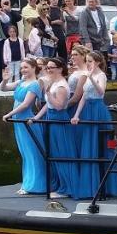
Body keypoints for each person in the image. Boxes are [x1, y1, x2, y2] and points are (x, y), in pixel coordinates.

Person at [70, 52, 117, 199]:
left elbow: (101, 92)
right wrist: (76, 115)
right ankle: (91, 186)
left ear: (97, 62)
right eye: (87, 61)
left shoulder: (102, 76)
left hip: (98, 110)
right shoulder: (86, 75)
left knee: (104, 146)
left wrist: (91, 77)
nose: (89, 64)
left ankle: (107, 186)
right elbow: (83, 97)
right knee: (88, 146)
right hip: (87, 110)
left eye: (90, 61)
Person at [30, 58, 77, 199]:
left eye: (52, 67)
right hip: (51, 117)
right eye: (48, 67)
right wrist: (37, 117)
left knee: (61, 152)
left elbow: (59, 106)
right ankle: (58, 184)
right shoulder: (54, 83)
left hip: (58, 119)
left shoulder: (61, 85)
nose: (49, 70)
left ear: (60, 69)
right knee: (54, 153)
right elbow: (48, 105)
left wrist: (49, 93)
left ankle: (66, 187)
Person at [0, 58, 47, 194]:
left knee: (32, 152)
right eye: (21, 68)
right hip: (18, 121)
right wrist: (5, 79)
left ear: (33, 68)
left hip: (26, 121)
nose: (23, 70)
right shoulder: (21, 81)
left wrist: (9, 114)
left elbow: (26, 104)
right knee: (25, 153)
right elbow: (4, 88)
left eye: (26, 67)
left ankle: (35, 185)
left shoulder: (35, 84)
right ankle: (27, 183)